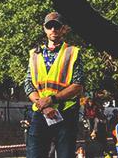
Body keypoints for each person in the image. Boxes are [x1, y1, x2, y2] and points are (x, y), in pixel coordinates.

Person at [25, 12, 87, 158]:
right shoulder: (34, 54)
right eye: (49, 26)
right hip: (41, 114)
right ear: (45, 29)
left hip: (65, 113)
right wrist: (44, 106)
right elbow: (28, 85)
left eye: (57, 26)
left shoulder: (72, 52)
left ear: (64, 29)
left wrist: (51, 100)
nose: (53, 29)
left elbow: (78, 86)